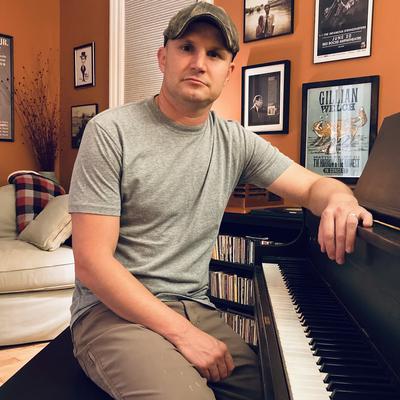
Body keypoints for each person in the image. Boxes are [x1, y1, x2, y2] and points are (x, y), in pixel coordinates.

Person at [68, 2, 373, 400]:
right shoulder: (110, 132)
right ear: (163, 57)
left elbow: (313, 186)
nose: (199, 63)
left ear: (228, 73)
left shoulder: (235, 141)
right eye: (187, 48)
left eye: (214, 54)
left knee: (276, 390)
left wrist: (340, 199)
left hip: (194, 307)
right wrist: (183, 335)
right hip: (111, 314)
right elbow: (92, 264)